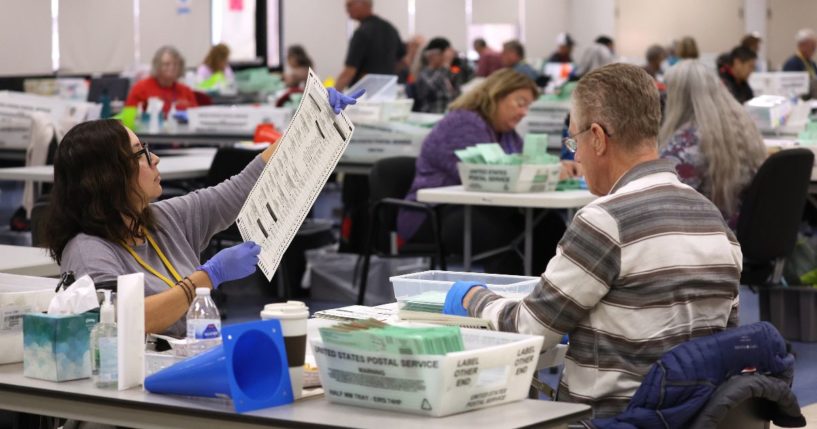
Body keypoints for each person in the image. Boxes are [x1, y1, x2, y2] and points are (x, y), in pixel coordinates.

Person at [442, 63, 741, 418]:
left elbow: (527, 328)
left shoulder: (605, 221)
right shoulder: (713, 220)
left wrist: (475, 297)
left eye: (574, 141)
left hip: (607, 419)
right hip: (688, 418)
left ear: (597, 137)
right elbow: (722, 342)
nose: (576, 156)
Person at [44, 89, 361, 337]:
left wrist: (308, 123)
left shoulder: (162, 219)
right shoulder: (88, 250)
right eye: (140, 153)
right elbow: (123, 321)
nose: (154, 159)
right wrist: (208, 276)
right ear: (106, 176)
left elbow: (242, 188)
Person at [398, 69, 566, 274]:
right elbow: (490, 177)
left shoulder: (507, 133)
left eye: (527, 106)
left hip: (475, 209)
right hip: (431, 214)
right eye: (520, 103)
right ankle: (511, 299)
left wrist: (554, 169)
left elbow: (522, 168)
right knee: (507, 235)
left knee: (549, 225)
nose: (524, 112)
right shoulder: (464, 123)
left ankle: (546, 294)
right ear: (496, 95)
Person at [661, 60, 766, 227]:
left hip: (708, 238)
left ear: (676, 97)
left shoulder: (684, 145)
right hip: (743, 228)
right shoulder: (742, 125)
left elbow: (665, 204)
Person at [334, 0, 405, 90]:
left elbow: (349, 72)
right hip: (386, 92)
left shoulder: (362, 33)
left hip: (364, 96)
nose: (347, 10)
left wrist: (332, 96)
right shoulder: (390, 29)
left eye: (349, 5)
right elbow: (401, 62)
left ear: (363, 4)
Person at [125, 46, 198, 115]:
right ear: (157, 66)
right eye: (166, 64)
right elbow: (128, 117)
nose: (172, 68)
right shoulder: (140, 88)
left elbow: (196, 115)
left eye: (176, 64)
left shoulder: (186, 91)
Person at [414, 38, 459, 114]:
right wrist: (446, 65)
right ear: (432, 55)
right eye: (444, 54)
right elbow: (433, 87)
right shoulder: (424, 74)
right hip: (431, 118)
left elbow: (458, 96)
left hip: (449, 117)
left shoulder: (448, 73)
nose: (448, 57)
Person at [783, 29, 817, 99]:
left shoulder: (812, 63)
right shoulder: (792, 64)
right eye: (812, 45)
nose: (814, 48)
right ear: (802, 45)